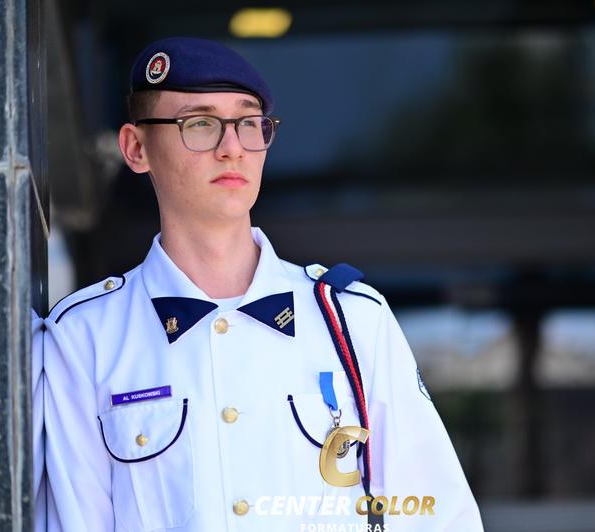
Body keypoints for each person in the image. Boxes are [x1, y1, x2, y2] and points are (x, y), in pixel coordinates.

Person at [37, 36, 483, 531]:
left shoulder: (353, 320)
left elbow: (437, 515)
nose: (232, 149)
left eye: (249, 124)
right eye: (200, 124)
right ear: (136, 148)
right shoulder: (84, 338)